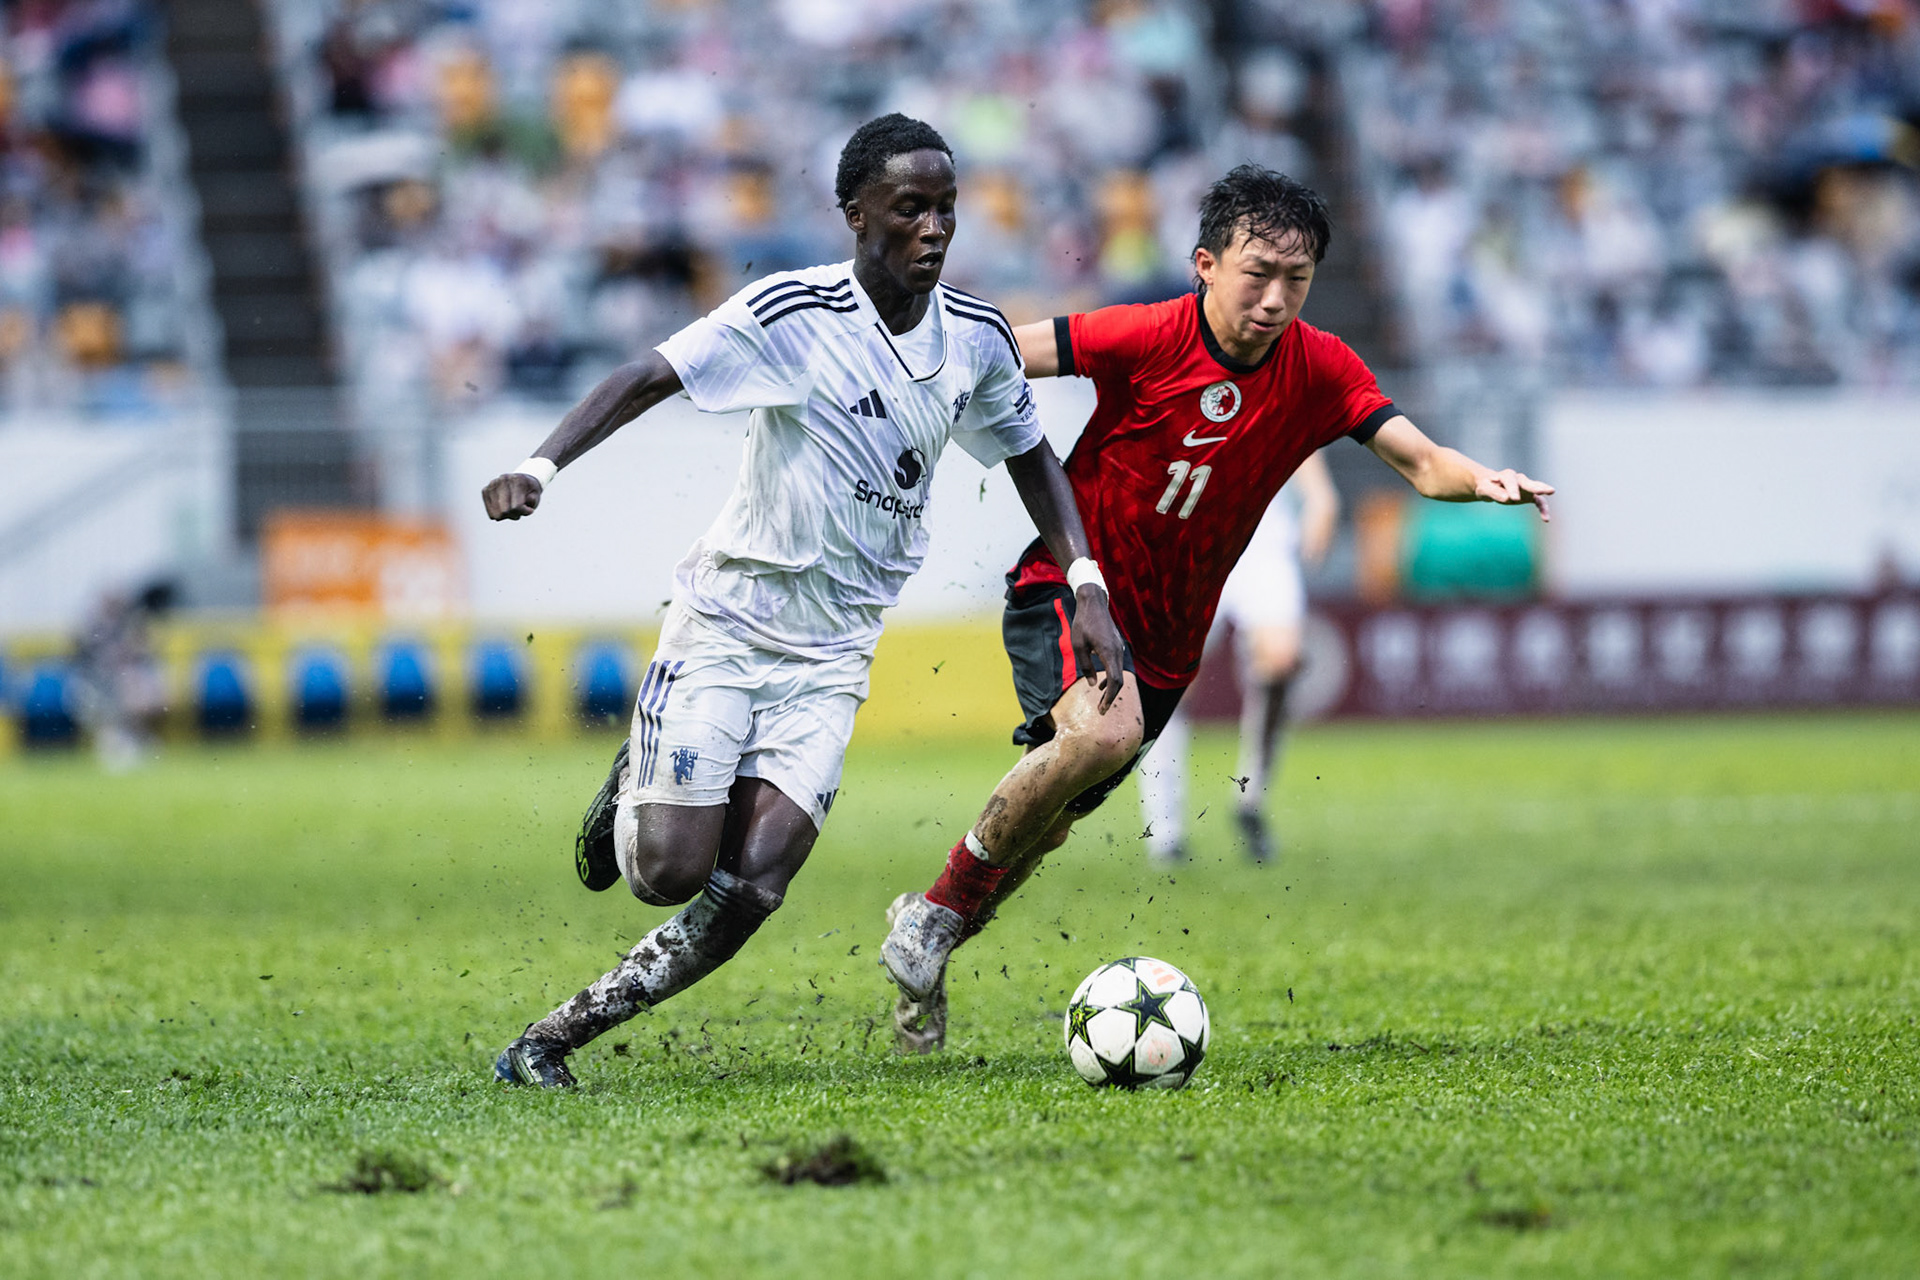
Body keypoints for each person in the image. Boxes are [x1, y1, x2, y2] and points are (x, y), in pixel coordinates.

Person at [484, 114, 1125, 1087]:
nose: (934, 228)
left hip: (833, 654)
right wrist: (540, 464)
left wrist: (1086, 584)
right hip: (733, 617)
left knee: (758, 884)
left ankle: (552, 1037)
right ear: (857, 213)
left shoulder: (978, 339)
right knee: (667, 869)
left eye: (946, 208)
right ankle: (635, 781)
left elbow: (1033, 455)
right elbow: (652, 372)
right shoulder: (795, 314)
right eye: (911, 208)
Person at [880, 164, 1553, 1053]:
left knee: (1041, 831)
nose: (1276, 299)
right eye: (1257, 274)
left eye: (1296, 281)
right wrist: (902, 389)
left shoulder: (1322, 368)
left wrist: (1483, 481)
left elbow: (1425, 464)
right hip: (1073, 592)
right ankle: (932, 919)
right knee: (1105, 738)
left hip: (1168, 647)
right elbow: (1003, 347)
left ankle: (929, 943)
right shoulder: (1146, 335)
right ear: (1205, 262)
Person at [1135, 449, 1338, 864]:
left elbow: (1295, 416)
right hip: (1187, 537)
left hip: (1261, 537)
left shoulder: (1270, 381)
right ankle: (1165, 830)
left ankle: (1251, 798)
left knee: (1281, 659)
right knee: (1170, 682)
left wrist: (1320, 495)